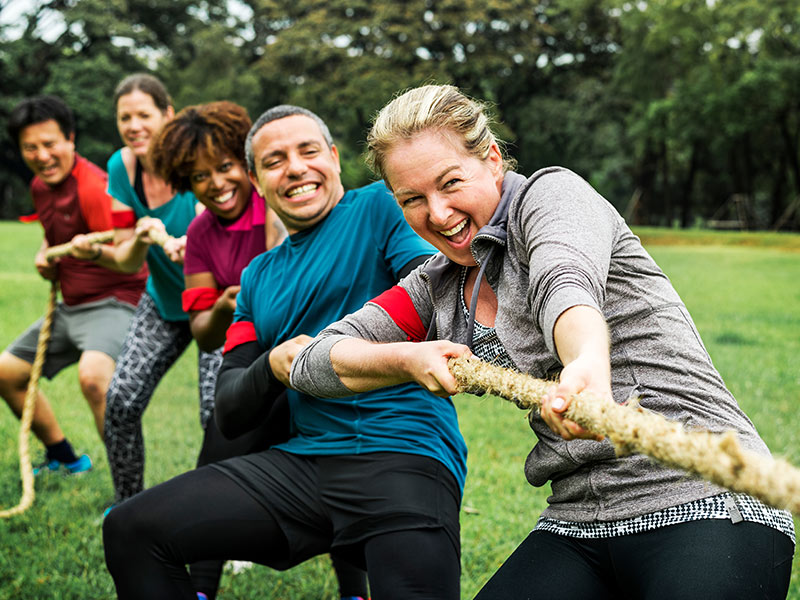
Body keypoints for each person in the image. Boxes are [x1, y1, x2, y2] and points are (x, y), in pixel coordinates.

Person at [290, 84, 796, 600]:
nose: (438, 214)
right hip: (577, 521)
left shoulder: (551, 197)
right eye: (413, 200)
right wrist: (408, 356)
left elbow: (565, 284)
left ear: (491, 160)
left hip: (704, 496)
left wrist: (586, 367)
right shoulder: (435, 285)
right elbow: (315, 362)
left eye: (450, 183)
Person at [103, 104, 466, 600]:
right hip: (304, 467)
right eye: (274, 161)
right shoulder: (256, 278)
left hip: (401, 456)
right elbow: (230, 409)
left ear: (335, 158)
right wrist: (272, 366)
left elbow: (435, 290)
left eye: (308, 151)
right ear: (256, 179)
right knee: (129, 529)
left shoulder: (379, 209)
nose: (295, 167)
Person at [149, 100, 367, 600]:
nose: (217, 183)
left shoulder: (280, 202)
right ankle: (202, 585)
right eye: (199, 177)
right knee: (218, 454)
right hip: (253, 361)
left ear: (246, 170)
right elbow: (204, 331)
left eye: (224, 168)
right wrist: (232, 303)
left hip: (320, 355)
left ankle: (355, 588)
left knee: (338, 459)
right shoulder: (203, 232)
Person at [0, 95, 147, 475]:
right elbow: (57, 234)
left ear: (70, 140)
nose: (42, 155)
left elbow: (128, 252)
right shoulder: (40, 186)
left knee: (94, 378)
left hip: (116, 301)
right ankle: (66, 458)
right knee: (7, 372)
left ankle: (129, 490)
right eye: (30, 147)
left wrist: (89, 254)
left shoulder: (95, 187)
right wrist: (46, 254)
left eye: (50, 144)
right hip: (71, 306)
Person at [97, 73, 217, 506]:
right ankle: (127, 507)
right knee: (121, 401)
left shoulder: (195, 159)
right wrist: (141, 239)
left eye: (143, 115)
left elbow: (224, 230)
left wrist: (196, 245)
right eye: (124, 117)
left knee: (218, 416)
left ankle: (234, 525)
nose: (133, 126)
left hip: (216, 304)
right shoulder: (121, 167)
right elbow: (125, 260)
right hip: (164, 302)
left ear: (167, 114)